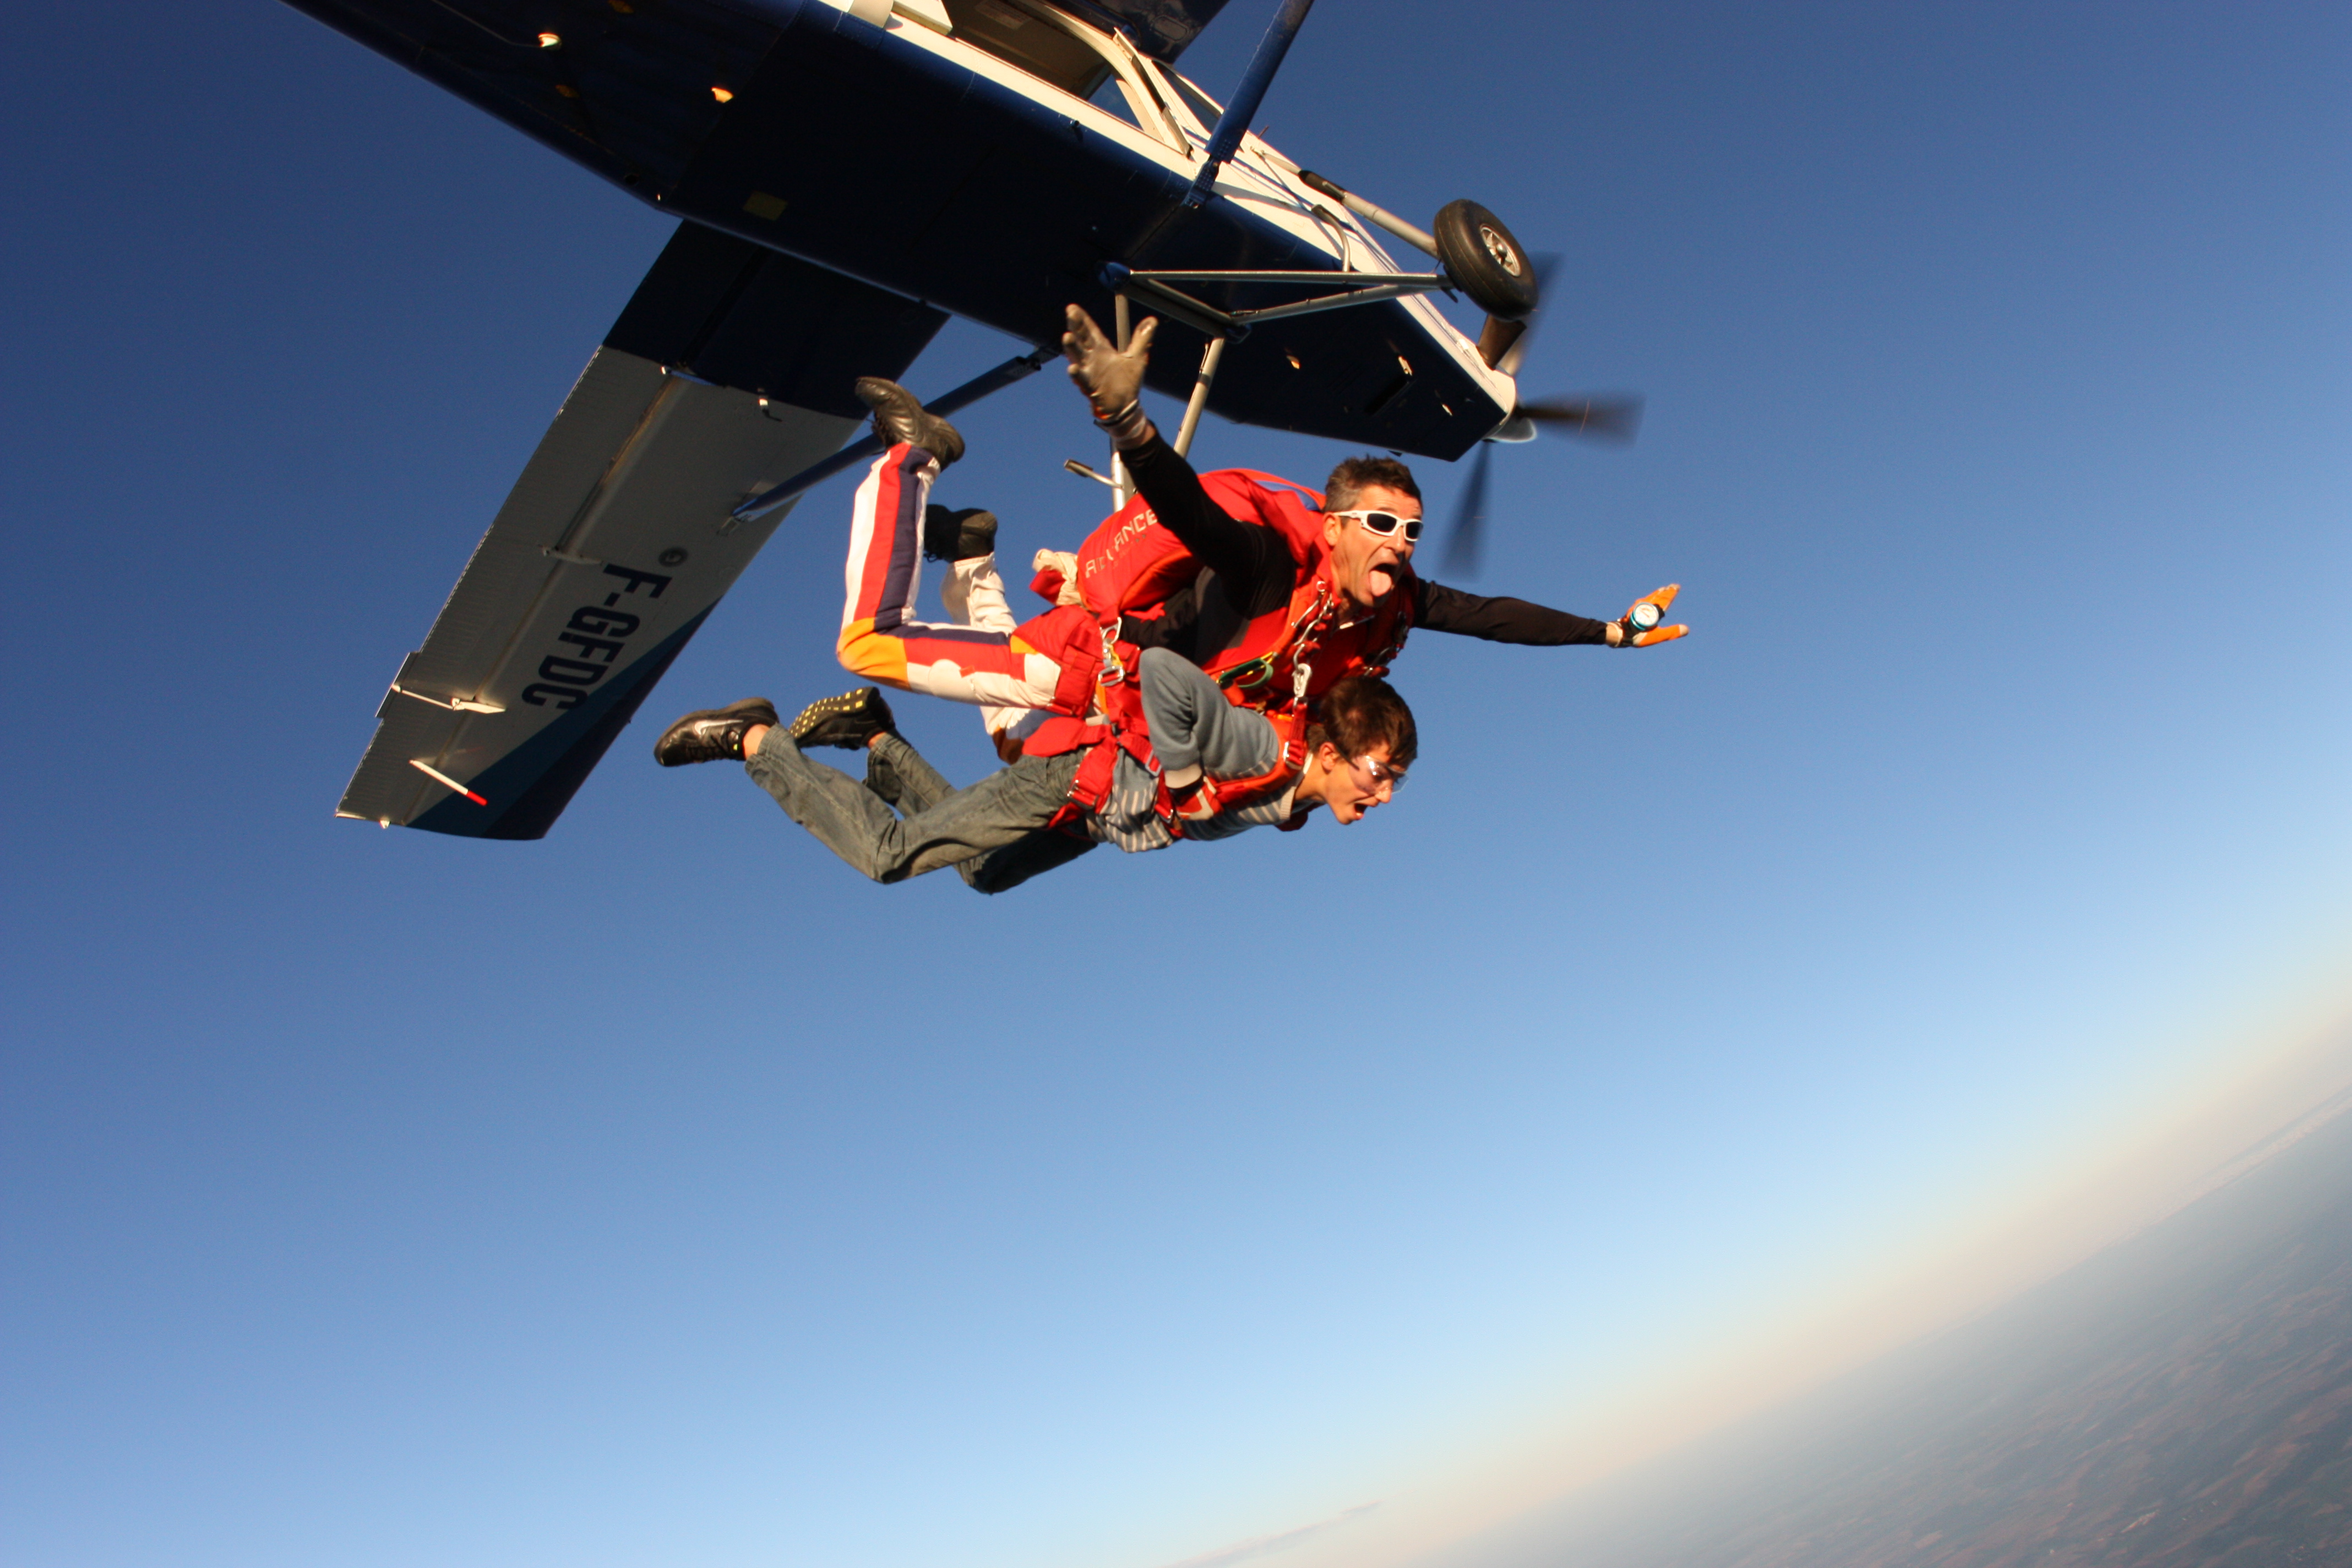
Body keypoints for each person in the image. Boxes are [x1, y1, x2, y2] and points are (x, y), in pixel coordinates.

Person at [650, 661, 1416, 893]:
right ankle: (753, 738)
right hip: (1072, 783)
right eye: (1380, 773)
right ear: (1331, 749)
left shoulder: (1296, 801)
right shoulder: (1262, 750)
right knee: (888, 856)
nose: (1382, 795)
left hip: (1095, 821)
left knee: (982, 874)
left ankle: (874, 737)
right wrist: (1181, 780)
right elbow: (1165, 677)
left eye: (1396, 782)